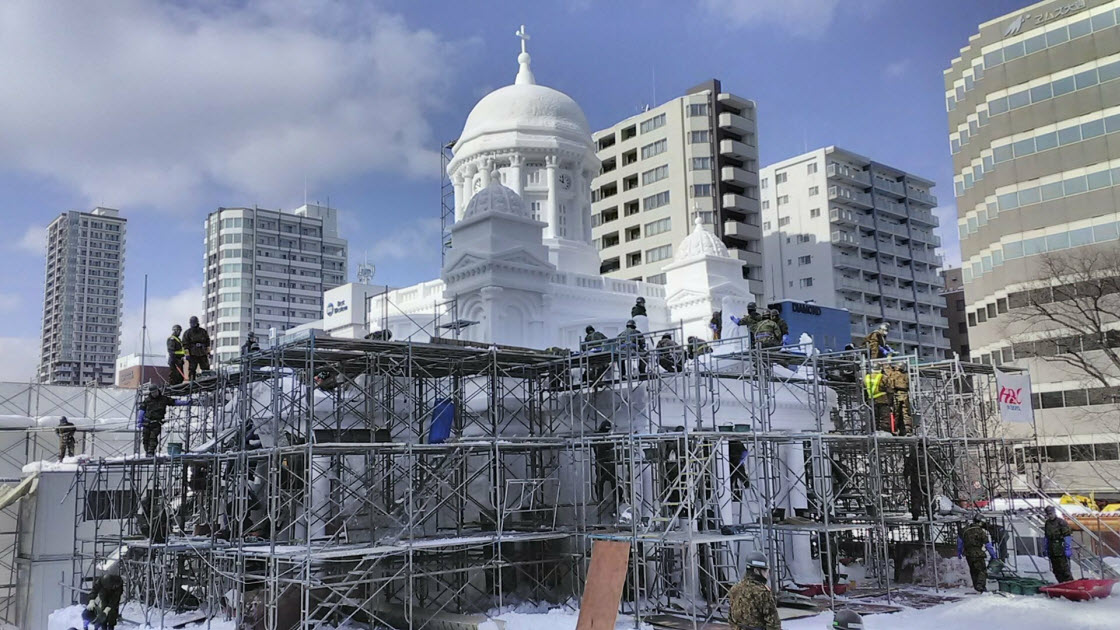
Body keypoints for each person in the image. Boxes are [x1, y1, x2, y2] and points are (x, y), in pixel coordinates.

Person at [727, 551, 780, 630]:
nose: (767, 574)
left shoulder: (735, 588)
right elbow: (773, 623)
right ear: (756, 571)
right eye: (765, 571)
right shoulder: (762, 592)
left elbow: (731, 617)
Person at [138, 386, 191, 457]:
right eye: (153, 393)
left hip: (157, 422)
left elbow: (174, 402)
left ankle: (151, 452)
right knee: (145, 439)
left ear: (158, 390)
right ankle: (147, 452)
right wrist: (139, 420)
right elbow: (142, 410)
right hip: (147, 422)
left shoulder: (163, 399)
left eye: (155, 392)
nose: (154, 394)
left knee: (153, 437)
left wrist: (185, 403)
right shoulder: (147, 400)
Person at [958, 515, 998, 592]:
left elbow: (959, 543)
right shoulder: (981, 532)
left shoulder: (964, 530)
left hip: (968, 554)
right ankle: (981, 587)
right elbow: (988, 545)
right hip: (978, 554)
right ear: (980, 522)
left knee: (973, 571)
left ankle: (976, 587)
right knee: (982, 571)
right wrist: (993, 555)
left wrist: (959, 553)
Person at [1043, 505, 1075, 583]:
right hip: (1052, 548)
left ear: (1054, 513)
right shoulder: (1047, 523)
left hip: (1060, 548)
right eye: (1048, 514)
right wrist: (1046, 547)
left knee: (1064, 569)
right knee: (1056, 569)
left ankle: (1069, 583)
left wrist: (1067, 548)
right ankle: (1061, 582)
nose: (1050, 516)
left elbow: (1067, 535)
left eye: (1051, 513)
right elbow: (1047, 536)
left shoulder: (1061, 522)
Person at [883, 363, 913, 435]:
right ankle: (908, 430)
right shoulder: (905, 375)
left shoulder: (894, 374)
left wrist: (886, 364)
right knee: (906, 413)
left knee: (895, 413)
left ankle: (895, 430)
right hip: (905, 395)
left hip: (896, 394)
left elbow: (888, 375)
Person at [592, 420, 617, 501]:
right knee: (601, 481)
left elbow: (609, 446)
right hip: (602, 461)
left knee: (611, 481)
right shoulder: (598, 436)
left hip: (606, 461)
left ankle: (615, 498)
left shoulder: (600, 436)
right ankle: (601, 498)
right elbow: (608, 446)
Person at [864, 368, 892, 434]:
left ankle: (873, 431)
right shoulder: (883, 377)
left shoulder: (867, 377)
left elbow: (864, 389)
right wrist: (890, 401)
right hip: (883, 399)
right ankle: (885, 432)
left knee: (873, 417)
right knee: (884, 417)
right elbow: (889, 389)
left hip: (871, 400)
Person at [182, 315, 211, 380]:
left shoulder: (203, 332)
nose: (193, 324)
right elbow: (185, 345)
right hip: (192, 354)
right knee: (192, 369)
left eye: (194, 323)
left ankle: (207, 380)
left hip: (202, 353)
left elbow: (207, 342)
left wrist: (208, 352)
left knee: (206, 368)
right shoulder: (187, 333)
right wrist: (187, 354)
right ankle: (192, 381)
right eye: (192, 323)